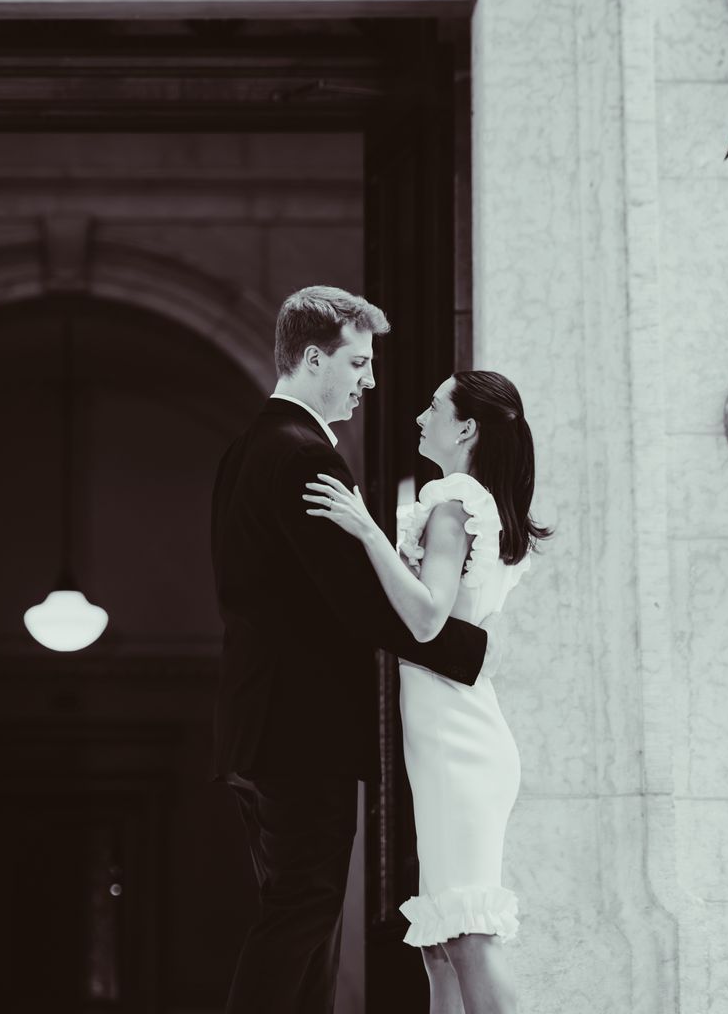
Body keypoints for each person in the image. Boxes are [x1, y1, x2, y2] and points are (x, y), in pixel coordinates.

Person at [209, 286, 498, 1014]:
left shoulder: (243, 450)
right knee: (302, 914)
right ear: (314, 359)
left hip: (260, 725)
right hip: (301, 733)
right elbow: (358, 600)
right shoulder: (305, 457)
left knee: (301, 917)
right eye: (359, 362)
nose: (371, 381)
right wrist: (471, 653)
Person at [305, 369, 550, 1014]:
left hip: (458, 740)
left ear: (465, 427)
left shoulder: (454, 501)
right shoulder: (477, 502)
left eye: (434, 406)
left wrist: (365, 530)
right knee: (439, 942)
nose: (419, 416)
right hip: (454, 732)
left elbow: (426, 618)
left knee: (466, 932)